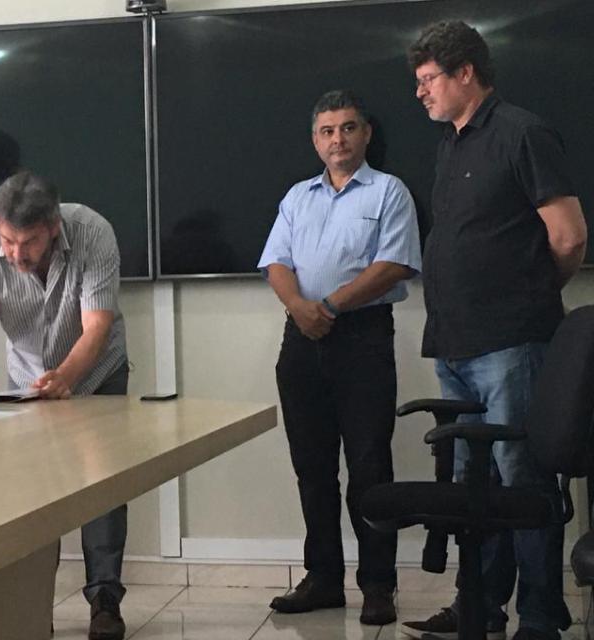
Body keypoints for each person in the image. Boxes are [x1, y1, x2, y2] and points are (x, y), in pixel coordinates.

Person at [400, 21, 586, 640]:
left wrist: (529, 295)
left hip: (512, 342)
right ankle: (479, 606)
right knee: (475, 488)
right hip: (454, 344)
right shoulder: (450, 144)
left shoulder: (521, 132)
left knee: (522, 478)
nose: (420, 92)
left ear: (466, 73)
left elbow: (569, 236)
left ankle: (539, 616)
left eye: (429, 79)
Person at [258, 90, 422, 626]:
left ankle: (377, 584)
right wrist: (300, 308)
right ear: (315, 140)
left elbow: (394, 264)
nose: (338, 139)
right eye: (327, 131)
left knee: (370, 466)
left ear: (366, 134)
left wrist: (327, 306)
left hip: (362, 339)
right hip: (300, 339)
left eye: (348, 128)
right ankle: (323, 579)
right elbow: (277, 262)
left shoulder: (389, 192)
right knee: (312, 468)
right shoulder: (297, 197)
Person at [0, 171, 129, 640]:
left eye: (27, 242)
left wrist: (65, 378)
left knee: (101, 486)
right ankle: (34, 609)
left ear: (52, 226)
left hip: (96, 373)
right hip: (27, 382)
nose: (15, 254)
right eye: (7, 240)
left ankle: (105, 601)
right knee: (32, 495)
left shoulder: (92, 232)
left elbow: (97, 327)